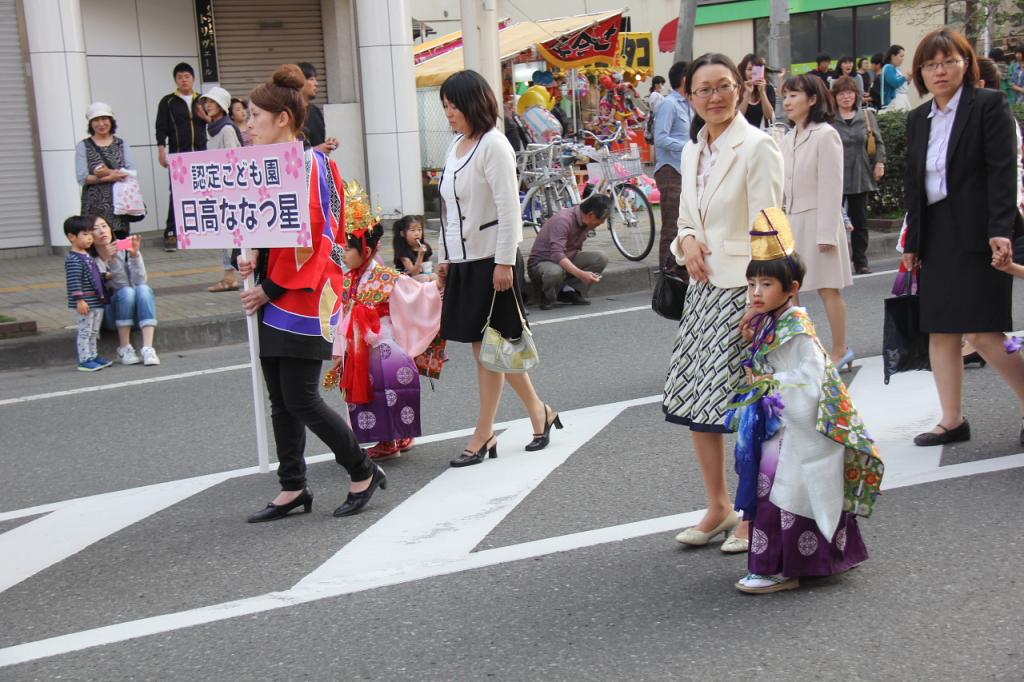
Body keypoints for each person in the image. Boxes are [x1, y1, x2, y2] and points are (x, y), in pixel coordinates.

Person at [237, 64, 384, 522]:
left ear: (283, 118)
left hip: (305, 295)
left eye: (254, 118)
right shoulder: (265, 166)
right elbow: (264, 228)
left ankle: (362, 470)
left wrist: (268, 285)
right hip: (275, 290)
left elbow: (319, 239)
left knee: (301, 397)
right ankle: (292, 486)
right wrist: (249, 257)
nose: (247, 125)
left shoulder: (314, 165)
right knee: (280, 398)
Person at [664, 53, 784, 554]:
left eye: (723, 86)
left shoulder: (758, 146)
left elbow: (771, 228)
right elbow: (687, 218)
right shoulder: (693, 150)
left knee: (748, 406)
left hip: (744, 291)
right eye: (702, 89)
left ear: (741, 89)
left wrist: (762, 301)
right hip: (702, 290)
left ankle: (752, 512)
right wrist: (685, 242)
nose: (714, 97)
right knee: (697, 401)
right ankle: (717, 506)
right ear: (689, 97)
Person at [727, 219, 883, 594]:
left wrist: (771, 385)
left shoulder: (795, 325)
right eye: (752, 285)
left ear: (791, 289)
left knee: (785, 491)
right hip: (780, 421)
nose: (756, 292)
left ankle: (785, 569)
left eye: (766, 284)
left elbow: (812, 376)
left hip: (796, 423)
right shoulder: (769, 320)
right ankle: (797, 563)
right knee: (775, 490)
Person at [902, 29, 1024, 447]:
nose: (939, 71)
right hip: (936, 233)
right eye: (930, 64)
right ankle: (952, 420)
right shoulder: (917, 119)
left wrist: (1000, 230)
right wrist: (913, 242)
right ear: (920, 72)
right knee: (941, 331)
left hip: (980, 230)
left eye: (948, 61)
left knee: (986, 333)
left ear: (966, 64)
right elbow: (914, 186)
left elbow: (1002, 172)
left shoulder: (988, 105)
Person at [436, 69, 561, 467]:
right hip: (464, 263)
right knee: (492, 349)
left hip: (492, 261)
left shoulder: (494, 146)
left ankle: (484, 432)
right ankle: (540, 412)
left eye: (453, 106)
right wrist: (443, 258)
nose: (448, 113)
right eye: (445, 106)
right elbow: (448, 211)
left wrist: (505, 261)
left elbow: (510, 209)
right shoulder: (456, 145)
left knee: (489, 350)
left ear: (473, 104)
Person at [330, 185, 442, 461]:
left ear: (365, 248)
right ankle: (390, 436)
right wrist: (338, 351)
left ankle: (392, 437)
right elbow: (341, 316)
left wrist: (437, 286)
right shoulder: (350, 278)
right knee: (371, 393)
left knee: (388, 390)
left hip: (383, 342)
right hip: (358, 345)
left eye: (349, 247)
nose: (344, 253)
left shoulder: (384, 277)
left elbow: (415, 295)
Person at [780, 74, 854, 370]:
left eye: (794, 95)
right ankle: (809, 351)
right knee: (791, 290)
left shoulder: (825, 134)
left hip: (820, 219)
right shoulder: (787, 139)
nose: (787, 101)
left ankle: (840, 349)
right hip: (792, 221)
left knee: (827, 287)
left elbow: (832, 186)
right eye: (785, 95)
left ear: (812, 99)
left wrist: (827, 233)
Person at [830, 75, 886, 274]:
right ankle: (835, 262)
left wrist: (879, 162)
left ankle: (861, 261)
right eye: (841, 93)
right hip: (834, 176)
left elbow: (878, 142)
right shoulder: (829, 118)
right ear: (834, 97)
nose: (846, 97)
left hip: (860, 174)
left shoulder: (867, 116)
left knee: (860, 222)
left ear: (856, 95)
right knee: (833, 221)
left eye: (850, 93)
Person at [89, 216, 160, 366]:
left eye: (104, 226)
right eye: (96, 228)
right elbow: (120, 287)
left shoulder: (122, 248)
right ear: (89, 235)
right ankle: (124, 348)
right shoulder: (91, 260)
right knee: (126, 292)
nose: (102, 231)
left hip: (135, 313)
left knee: (144, 289)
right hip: (110, 316)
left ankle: (148, 348)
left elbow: (140, 280)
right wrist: (112, 261)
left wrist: (135, 255)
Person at [156, 62, 207, 252]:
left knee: (201, 192)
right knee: (177, 192)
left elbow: (214, 122)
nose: (184, 80)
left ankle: (198, 230)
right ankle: (171, 232)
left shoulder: (202, 100)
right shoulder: (168, 101)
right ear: (175, 80)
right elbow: (161, 128)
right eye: (180, 77)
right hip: (179, 154)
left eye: (187, 76)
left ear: (193, 78)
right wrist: (162, 150)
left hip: (201, 152)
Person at [527, 195, 612, 310]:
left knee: (600, 258)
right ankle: (548, 295)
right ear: (590, 215)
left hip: (566, 259)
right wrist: (580, 274)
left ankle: (569, 291)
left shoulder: (586, 222)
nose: (601, 223)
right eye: (602, 219)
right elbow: (557, 254)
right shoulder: (563, 220)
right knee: (554, 271)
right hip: (542, 264)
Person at [201, 86, 243, 293]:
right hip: (218, 189)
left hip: (229, 190)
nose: (207, 105)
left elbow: (233, 158)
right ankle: (229, 276)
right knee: (226, 236)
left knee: (230, 236)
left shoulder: (226, 129)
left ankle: (230, 277)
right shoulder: (212, 128)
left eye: (212, 102)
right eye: (206, 102)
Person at [76, 103, 137, 241]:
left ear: (111, 121)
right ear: (90, 124)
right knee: (96, 241)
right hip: (93, 205)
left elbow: (131, 172)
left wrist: (108, 172)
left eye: (104, 119)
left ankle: (126, 261)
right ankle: (101, 263)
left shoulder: (121, 144)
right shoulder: (83, 146)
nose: (101, 124)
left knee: (122, 241)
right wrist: (110, 177)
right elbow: (82, 177)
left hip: (119, 203)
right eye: (96, 120)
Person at [653, 60, 693, 269]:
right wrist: (688, 146)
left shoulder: (690, 104)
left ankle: (681, 274)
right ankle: (667, 276)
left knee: (687, 225)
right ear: (685, 79)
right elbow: (660, 138)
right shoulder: (668, 104)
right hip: (671, 171)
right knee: (671, 227)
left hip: (687, 171)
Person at [63, 216, 111, 372]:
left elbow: (93, 276)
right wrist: (79, 300)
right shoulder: (73, 259)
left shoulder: (87, 256)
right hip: (86, 301)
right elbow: (74, 281)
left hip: (96, 300)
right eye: (85, 234)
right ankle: (84, 359)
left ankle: (93, 355)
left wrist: (104, 277)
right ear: (71, 237)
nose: (90, 237)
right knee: (85, 331)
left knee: (93, 331)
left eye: (91, 233)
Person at [297, 62, 339, 155]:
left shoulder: (315, 111)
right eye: (311, 79)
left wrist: (328, 144)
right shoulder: (289, 113)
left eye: (316, 79)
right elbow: (288, 153)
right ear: (299, 82)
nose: (316, 83)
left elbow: (317, 142)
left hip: (319, 166)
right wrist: (316, 149)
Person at [738, 53, 776, 128]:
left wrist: (762, 92)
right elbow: (737, 117)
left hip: (761, 134)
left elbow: (769, 117)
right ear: (743, 71)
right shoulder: (737, 89)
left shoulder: (768, 89)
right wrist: (747, 94)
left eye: (756, 70)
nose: (753, 73)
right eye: (749, 69)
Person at [392, 215, 435, 279]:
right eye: (412, 230)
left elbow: (427, 266)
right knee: (424, 278)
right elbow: (414, 273)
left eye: (419, 230)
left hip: (421, 275)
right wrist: (420, 255)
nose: (417, 233)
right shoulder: (402, 250)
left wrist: (430, 267)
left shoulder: (425, 246)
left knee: (435, 276)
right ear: (402, 233)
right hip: (404, 279)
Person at [880, 45, 912, 111]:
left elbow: (902, 86)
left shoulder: (897, 69)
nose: (903, 59)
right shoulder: (888, 67)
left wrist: (909, 78)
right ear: (893, 56)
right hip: (894, 101)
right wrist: (905, 77)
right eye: (901, 56)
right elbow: (895, 83)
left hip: (902, 99)